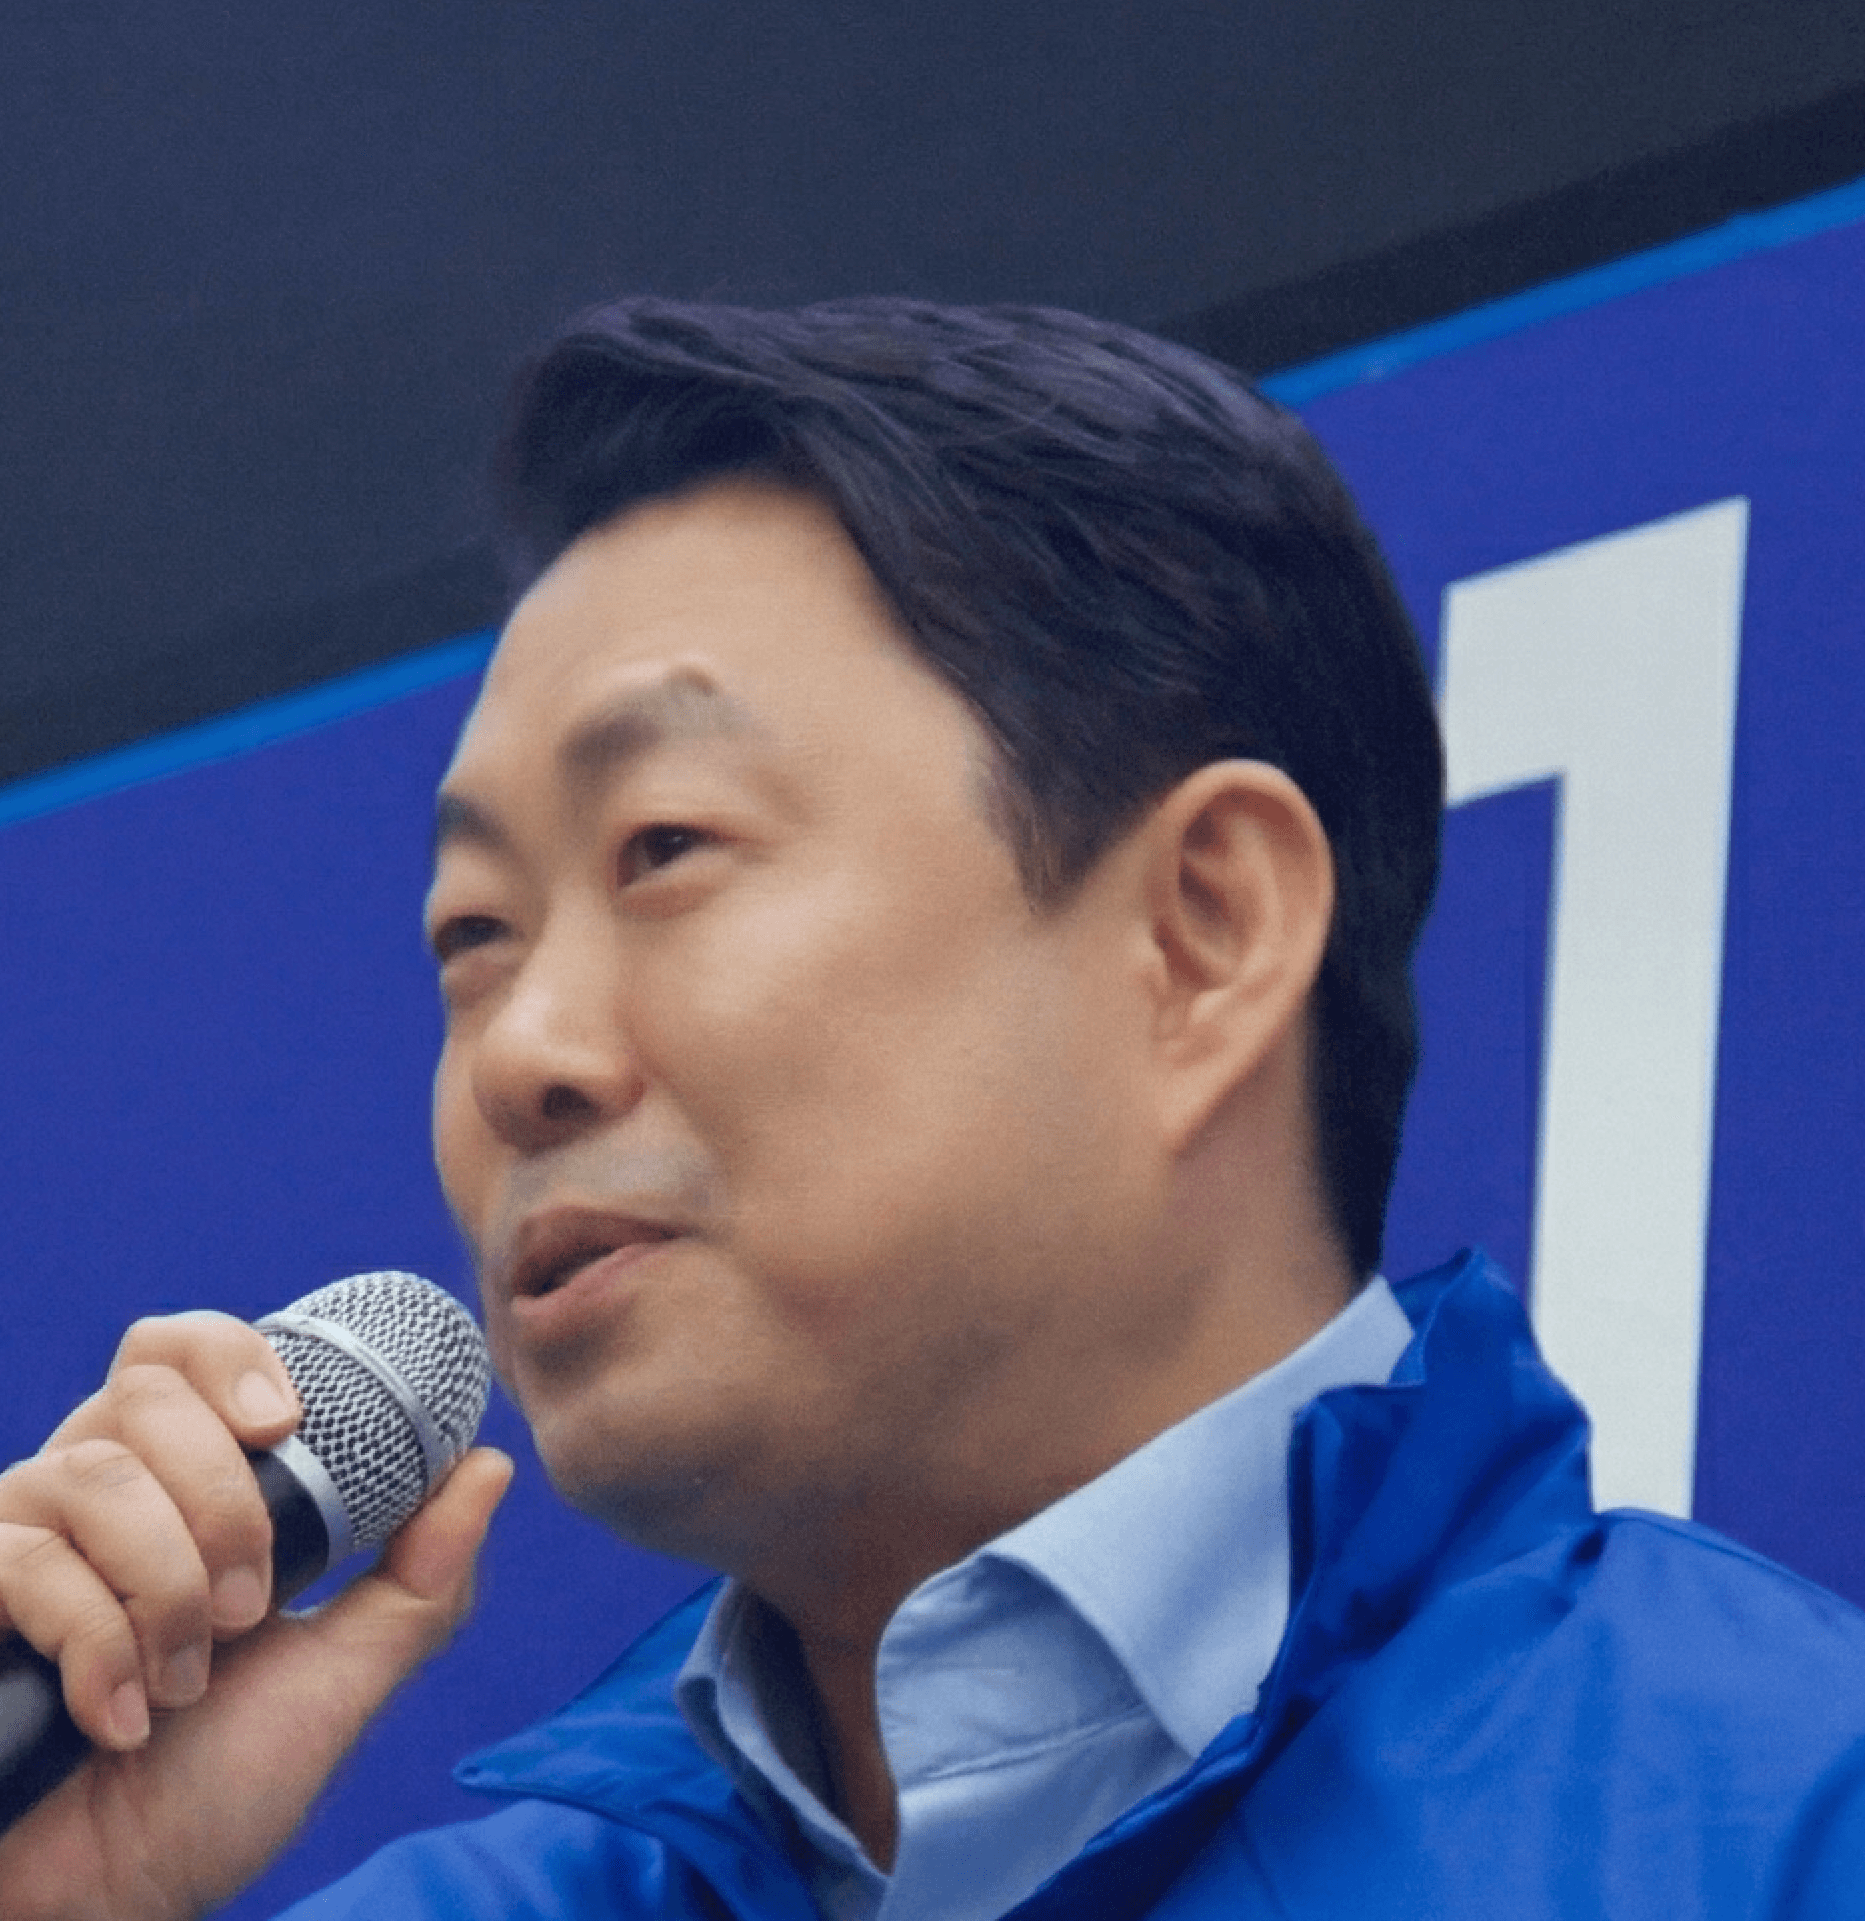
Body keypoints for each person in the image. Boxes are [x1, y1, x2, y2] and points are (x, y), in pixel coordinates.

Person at [2, 298, 1863, 1921]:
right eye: (471, 936)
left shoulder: (1776, 1815)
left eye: (664, 846)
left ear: (1202, 932)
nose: (518, 1053)